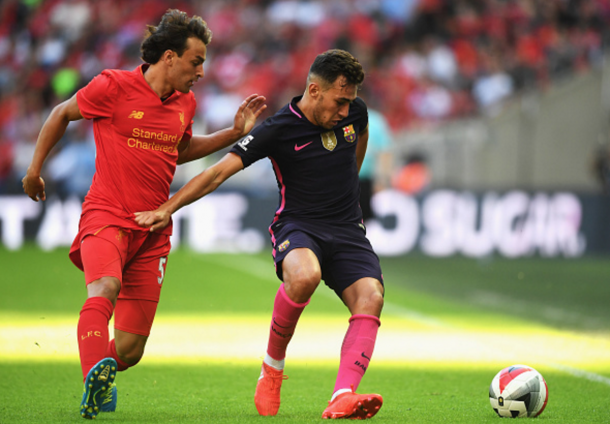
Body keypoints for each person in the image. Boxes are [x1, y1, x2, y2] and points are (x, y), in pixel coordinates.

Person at [21, 9, 266, 420]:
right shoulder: (112, 86)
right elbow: (60, 113)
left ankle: (101, 364)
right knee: (105, 287)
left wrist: (232, 134)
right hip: (107, 214)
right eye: (196, 60)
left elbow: (180, 149)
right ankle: (94, 382)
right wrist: (33, 171)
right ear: (169, 57)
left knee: (131, 349)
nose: (202, 71)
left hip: (153, 228)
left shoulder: (185, 102)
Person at [135, 49, 385, 420]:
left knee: (372, 296)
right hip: (299, 226)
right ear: (314, 91)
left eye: (350, 102)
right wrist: (168, 207)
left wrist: (350, 186)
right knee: (304, 276)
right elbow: (218, 173)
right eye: (339, 101)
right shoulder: (277, 129)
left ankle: (342, 395)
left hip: (347, 229)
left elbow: (357, 141)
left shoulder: (356, 114)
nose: (346, 111)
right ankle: (272, 368)